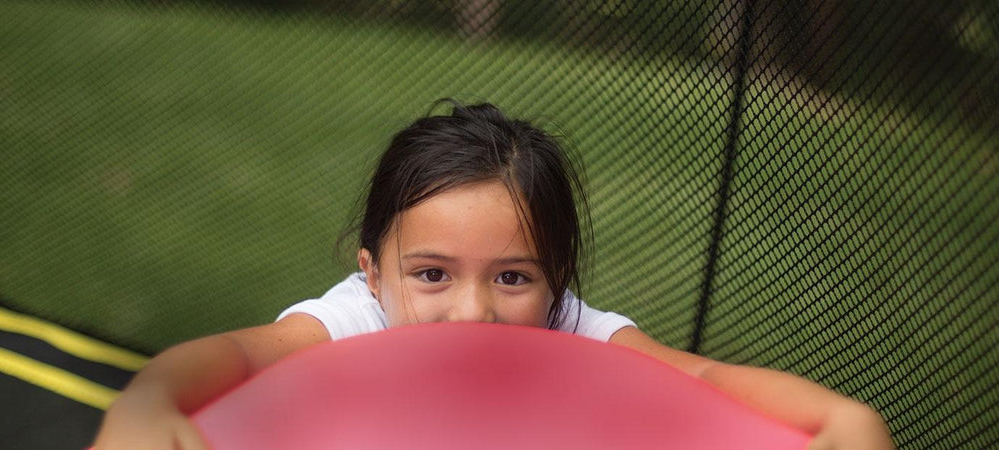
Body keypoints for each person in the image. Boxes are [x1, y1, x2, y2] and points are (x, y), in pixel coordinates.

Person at [94, 100, 894, 449]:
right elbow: (239, 357)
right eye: (433, 274)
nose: (471, 310)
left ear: (557, 283)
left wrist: (842, 416)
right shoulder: (357, 319)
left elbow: (705, 377)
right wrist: (149, 399)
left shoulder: (574, 330)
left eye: (513, 279)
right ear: (373, 274)